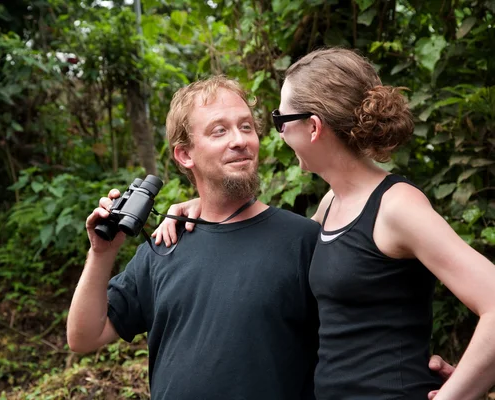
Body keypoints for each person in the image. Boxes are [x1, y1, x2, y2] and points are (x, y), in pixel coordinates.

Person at [153, 48, 495, 400]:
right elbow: (273, 240)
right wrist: (205, 205)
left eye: (281, 120)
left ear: (313, 127)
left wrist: (459, 392)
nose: (279, 134)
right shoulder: (333, 204)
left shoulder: (396, 206)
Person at [66, 76, 321, 400]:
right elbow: (83, 338)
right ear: (185, 154)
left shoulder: (302, 241)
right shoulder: (163, 246)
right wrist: (101, 254)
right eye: (219, 130)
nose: (240, 140)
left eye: (246, 127)